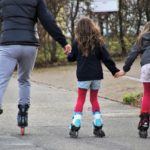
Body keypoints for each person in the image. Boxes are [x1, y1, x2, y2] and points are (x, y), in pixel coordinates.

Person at [0, 0, 71, 131]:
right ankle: (23, 113)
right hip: (29, 45)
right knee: (24, 80)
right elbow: (47, 21)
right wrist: (63, 42)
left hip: (8, 44)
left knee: (1, 79)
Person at [67, 17, 120, 138]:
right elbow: (106, 58)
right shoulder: (98, 42)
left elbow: (71, 58)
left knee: (81, 99)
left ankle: (75, 123)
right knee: (94, 99)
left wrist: (69, 53)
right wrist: (114, 71)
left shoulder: (77, 42)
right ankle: (98, 123)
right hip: (96, 75)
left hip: (83, 75)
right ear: (92, 27)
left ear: (79, 29)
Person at [116, 21, 150, 138]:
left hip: (146, 65)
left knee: (147, 94)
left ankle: (144, 124)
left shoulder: (141, 38)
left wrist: (125, 69)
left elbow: (132, 54)